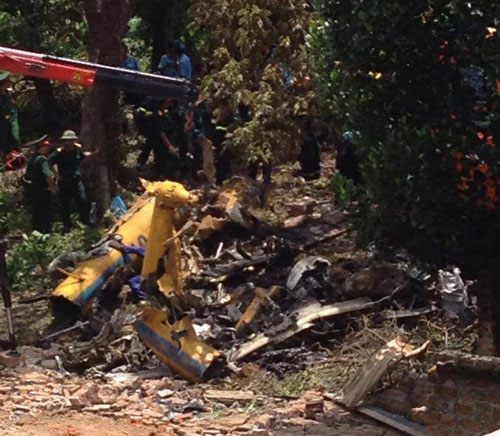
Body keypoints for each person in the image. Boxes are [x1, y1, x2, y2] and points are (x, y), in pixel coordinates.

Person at [48, 130, 90, 231]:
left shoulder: (77, 150)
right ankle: (67, 226)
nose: (68, 142)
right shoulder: (59, 152)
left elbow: (83, 156)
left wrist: (93, 153)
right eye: (66, 140)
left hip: (76, 180)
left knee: (82, 200)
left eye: (70, 140)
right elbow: (49, 162)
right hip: (65, 182)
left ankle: (85, 222)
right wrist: (56, 174)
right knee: (65, 204)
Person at [24, 135, 56, 233]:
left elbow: (27, 175)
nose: (48, 148)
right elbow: (48, 176)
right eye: (46, 146)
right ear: (41, 147)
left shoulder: (32, 159)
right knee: (46, 215)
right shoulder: (42, 160)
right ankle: (47, 234)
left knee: (36, 215)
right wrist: (53, 189)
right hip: (43, 192)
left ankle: (36, 235)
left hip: (34, 191)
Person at [0, 71, 21, 160]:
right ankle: (6, 158)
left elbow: (13, 106)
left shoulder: (9, 93)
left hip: (12, 119)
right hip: (2, 120)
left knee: (15, 136)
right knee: (4, 140)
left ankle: (18, 153)